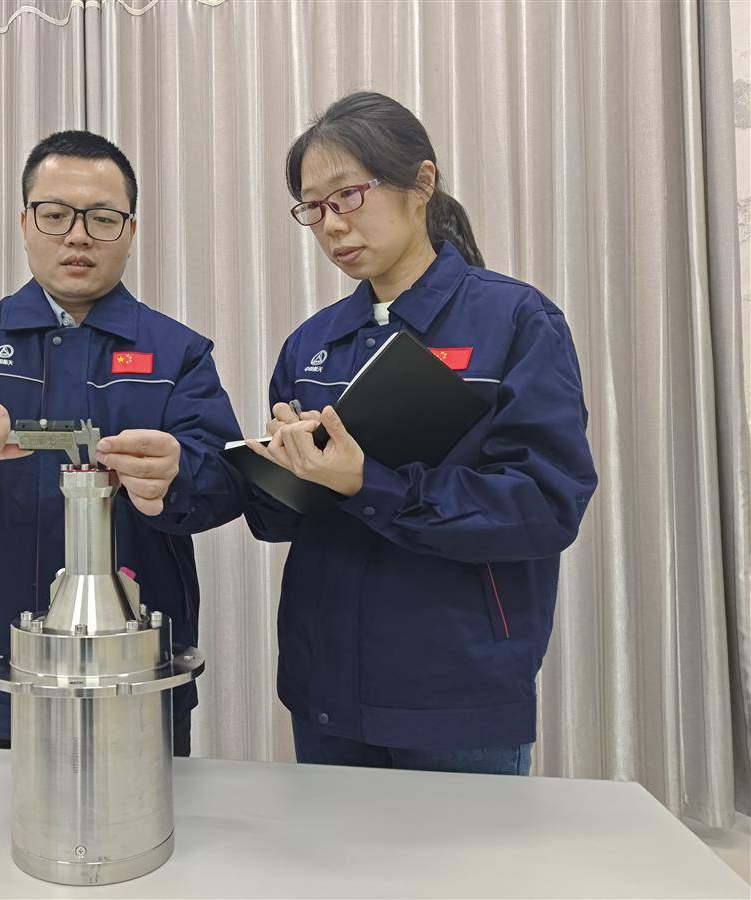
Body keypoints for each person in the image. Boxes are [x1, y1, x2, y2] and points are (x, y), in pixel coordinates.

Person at [0, 131, 245, 754]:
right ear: (25, 223)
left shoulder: (177, 353)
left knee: (154, 817)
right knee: (2, 817)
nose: (78, 236)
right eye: (55, 215)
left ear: (130, 231)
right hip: (2, 665)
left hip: (139, 671)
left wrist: (179, 476)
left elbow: (229, 479)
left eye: (102, 219)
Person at [244, 92, 597, 774]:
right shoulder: (311, 344)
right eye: (313, 208)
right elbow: (276, 522)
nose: (331, 225)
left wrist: (367, 483)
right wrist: (278, 470)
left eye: (348, 195)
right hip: (325, 689)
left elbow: (546, 505)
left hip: (457, 695)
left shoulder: (515, 320)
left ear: (422, 183)